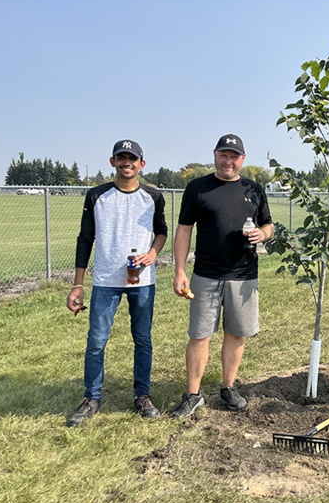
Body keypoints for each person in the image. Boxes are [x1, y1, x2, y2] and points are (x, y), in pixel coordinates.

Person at [66, 140, 168, 427]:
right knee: (97, 341)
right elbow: (85, 239)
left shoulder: (153, 195)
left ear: (141, 164)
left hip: (142, 281)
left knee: (143, 339)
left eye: (132, 158)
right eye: (121, 158)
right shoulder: (97, 195)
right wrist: (78, 284)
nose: (127, 163)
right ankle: (91, 398)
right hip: (105, 281)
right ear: (112, 162)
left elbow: (162, 231)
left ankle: (142, 395)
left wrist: (152, 253)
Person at [170, 134, 273, 417]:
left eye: (234, 156)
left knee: (235, 334)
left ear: (242, 159)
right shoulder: (198, 188)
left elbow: (269, 225)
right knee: (199, 335)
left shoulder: (253, 189)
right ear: (215, 155)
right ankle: (193, 394)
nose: (228, 161)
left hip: (244, 276)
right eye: (224, 155)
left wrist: (261, 234)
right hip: (206, 274)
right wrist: (180, 270)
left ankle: (228, 388)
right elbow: (183, 230)